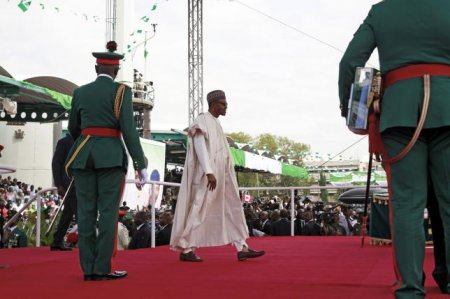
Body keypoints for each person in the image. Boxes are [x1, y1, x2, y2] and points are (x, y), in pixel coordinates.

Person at [339, 1, 450, 297]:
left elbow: (350, 63)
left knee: (407, 206)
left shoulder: (382, 11)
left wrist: (350, 111)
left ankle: (410, 288)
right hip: (448, 107)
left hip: (399, 113)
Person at [65, 41, 148, 281]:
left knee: (85, 213)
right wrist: (140, 163)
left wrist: (87, 142)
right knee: (109, 213)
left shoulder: (80, 92)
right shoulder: (121, 92)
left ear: (95, 68)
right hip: (110, 157)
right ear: (116, 70)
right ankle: (103, 268)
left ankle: (88, 269)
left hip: (83, 157)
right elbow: (129, 131)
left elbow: (73, 128)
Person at [170, 90, 265, 262]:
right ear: (213, 104)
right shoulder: (202, 120)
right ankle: (186, 249)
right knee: (200, 209)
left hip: (223, 176)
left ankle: (241, 246)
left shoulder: (216, 123)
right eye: (222, 103)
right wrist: (209, 172)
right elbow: (199, 146)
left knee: (231, 208)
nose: (225, 106)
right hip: (209, 177)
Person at [50, 134, 76, 251]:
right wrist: (59, 184)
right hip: (68, 184)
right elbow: (56, 164)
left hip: (78, 183)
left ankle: (57, 240)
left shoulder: (84, 141)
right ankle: (91, 242)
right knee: (80, 212)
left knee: (68, 213)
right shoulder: (64, 142)